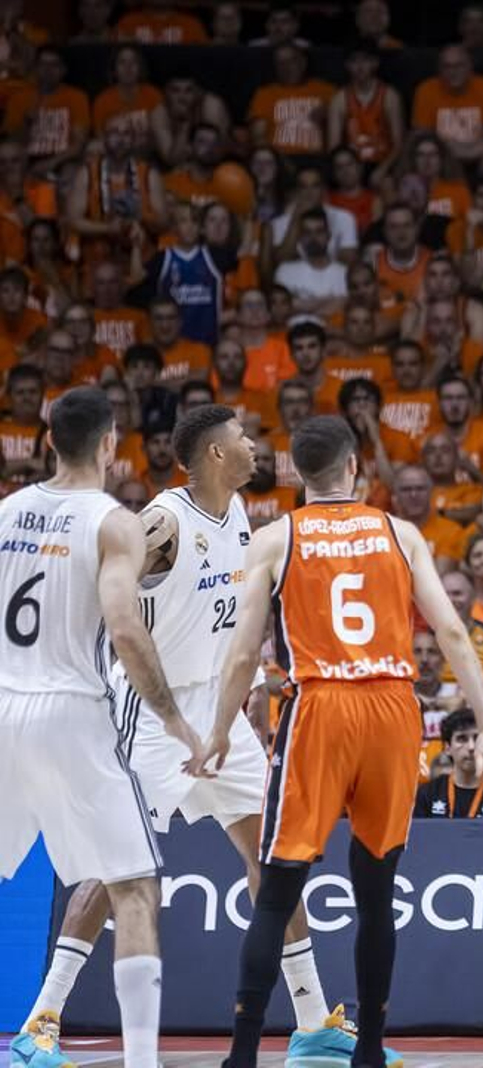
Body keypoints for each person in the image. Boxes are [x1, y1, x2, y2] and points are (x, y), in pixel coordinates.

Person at [11, 405, 369, 1068]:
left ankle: (313, 1021)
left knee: (276, 857)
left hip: (218, 714)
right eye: (243, 437)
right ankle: (40, 1022)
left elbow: (231, 623)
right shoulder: (163, 523)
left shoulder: (239, 513)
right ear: (214, 453)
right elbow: (100, 595)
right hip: (154, 715)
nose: (254, 445)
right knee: (117, 870)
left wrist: (248, 700)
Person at [190, 416, 483, 1068]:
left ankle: (242, 1055)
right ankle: (367, 1050)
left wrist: (221, 728)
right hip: (392, 709)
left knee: (277, 890)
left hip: (320, 707)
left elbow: (243, 651)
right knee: (375, 894)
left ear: (297, 474)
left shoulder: (276, 537)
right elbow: (453, 634)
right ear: (355, 468)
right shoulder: (401, 532)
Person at [0, 387, 196, 1068]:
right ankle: (141, 1061)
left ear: (49, 440)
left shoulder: (6, 512)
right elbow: (125, 631)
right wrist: (172, 717)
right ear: (111, 443)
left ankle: (40, 1028)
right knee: (134, 884)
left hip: (4, 705)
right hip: (70, 711)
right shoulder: (112, 523)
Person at [415, 710, 483, 819]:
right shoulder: (427, 794)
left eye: (477, 738)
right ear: (447, 748)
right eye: (462, 739)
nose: (471, 747)